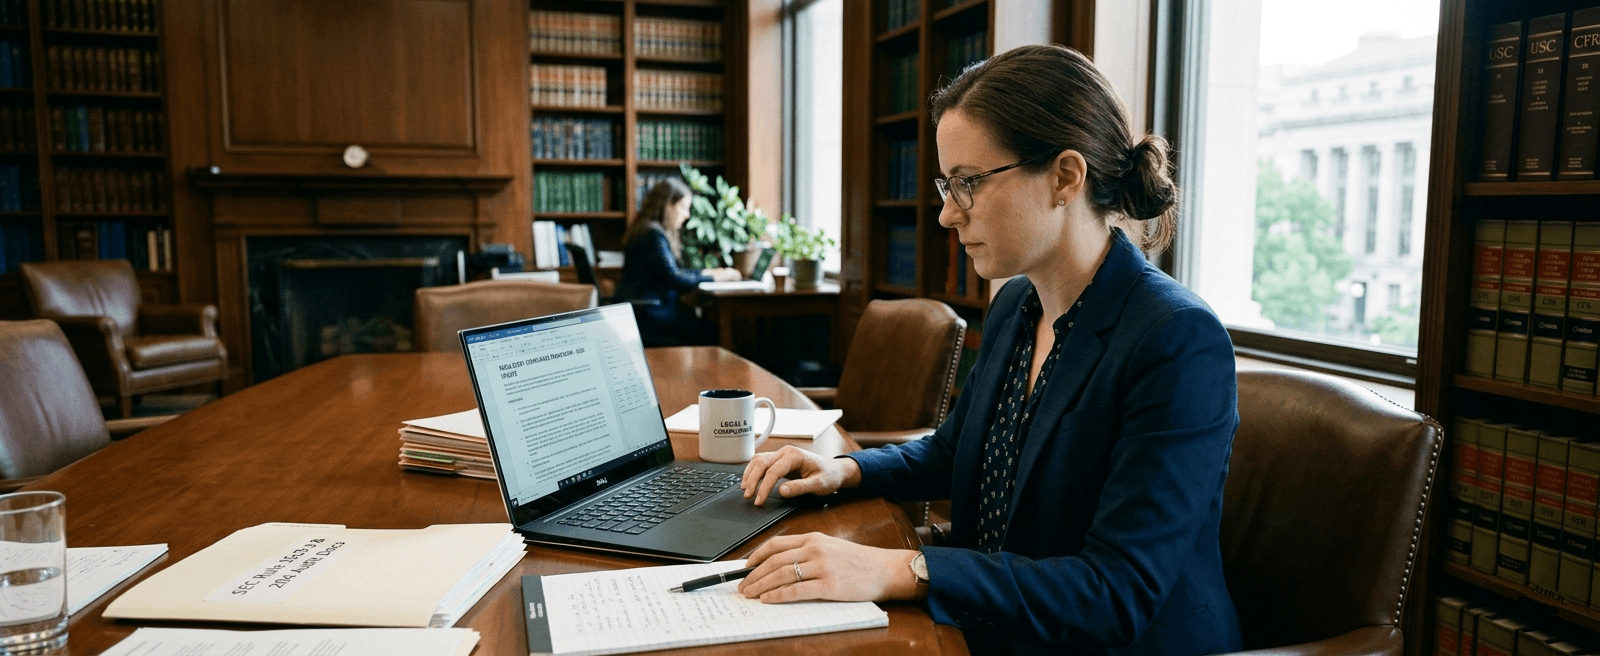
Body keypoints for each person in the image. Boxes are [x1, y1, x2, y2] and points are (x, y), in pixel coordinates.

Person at [736, 44, 1243, 655]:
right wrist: (844, 470)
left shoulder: (1176, 340)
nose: (948, 214)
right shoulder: (1015, 307)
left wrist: (898, 569)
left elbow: (1116, 592)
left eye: (969, 183)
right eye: (947, 184)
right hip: (995, 629)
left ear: (1065, 177)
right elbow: (956, 450)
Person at [616, 177, 741, 345]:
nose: (687, 215)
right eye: (683, 207)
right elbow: (674, 278)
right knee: (714, 332)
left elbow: (673, 272)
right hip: (651, 315)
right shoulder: (653, 235)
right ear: (668, 205)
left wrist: (707, 272)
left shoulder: (648, 229)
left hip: (647, 311)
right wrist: (716, 277)